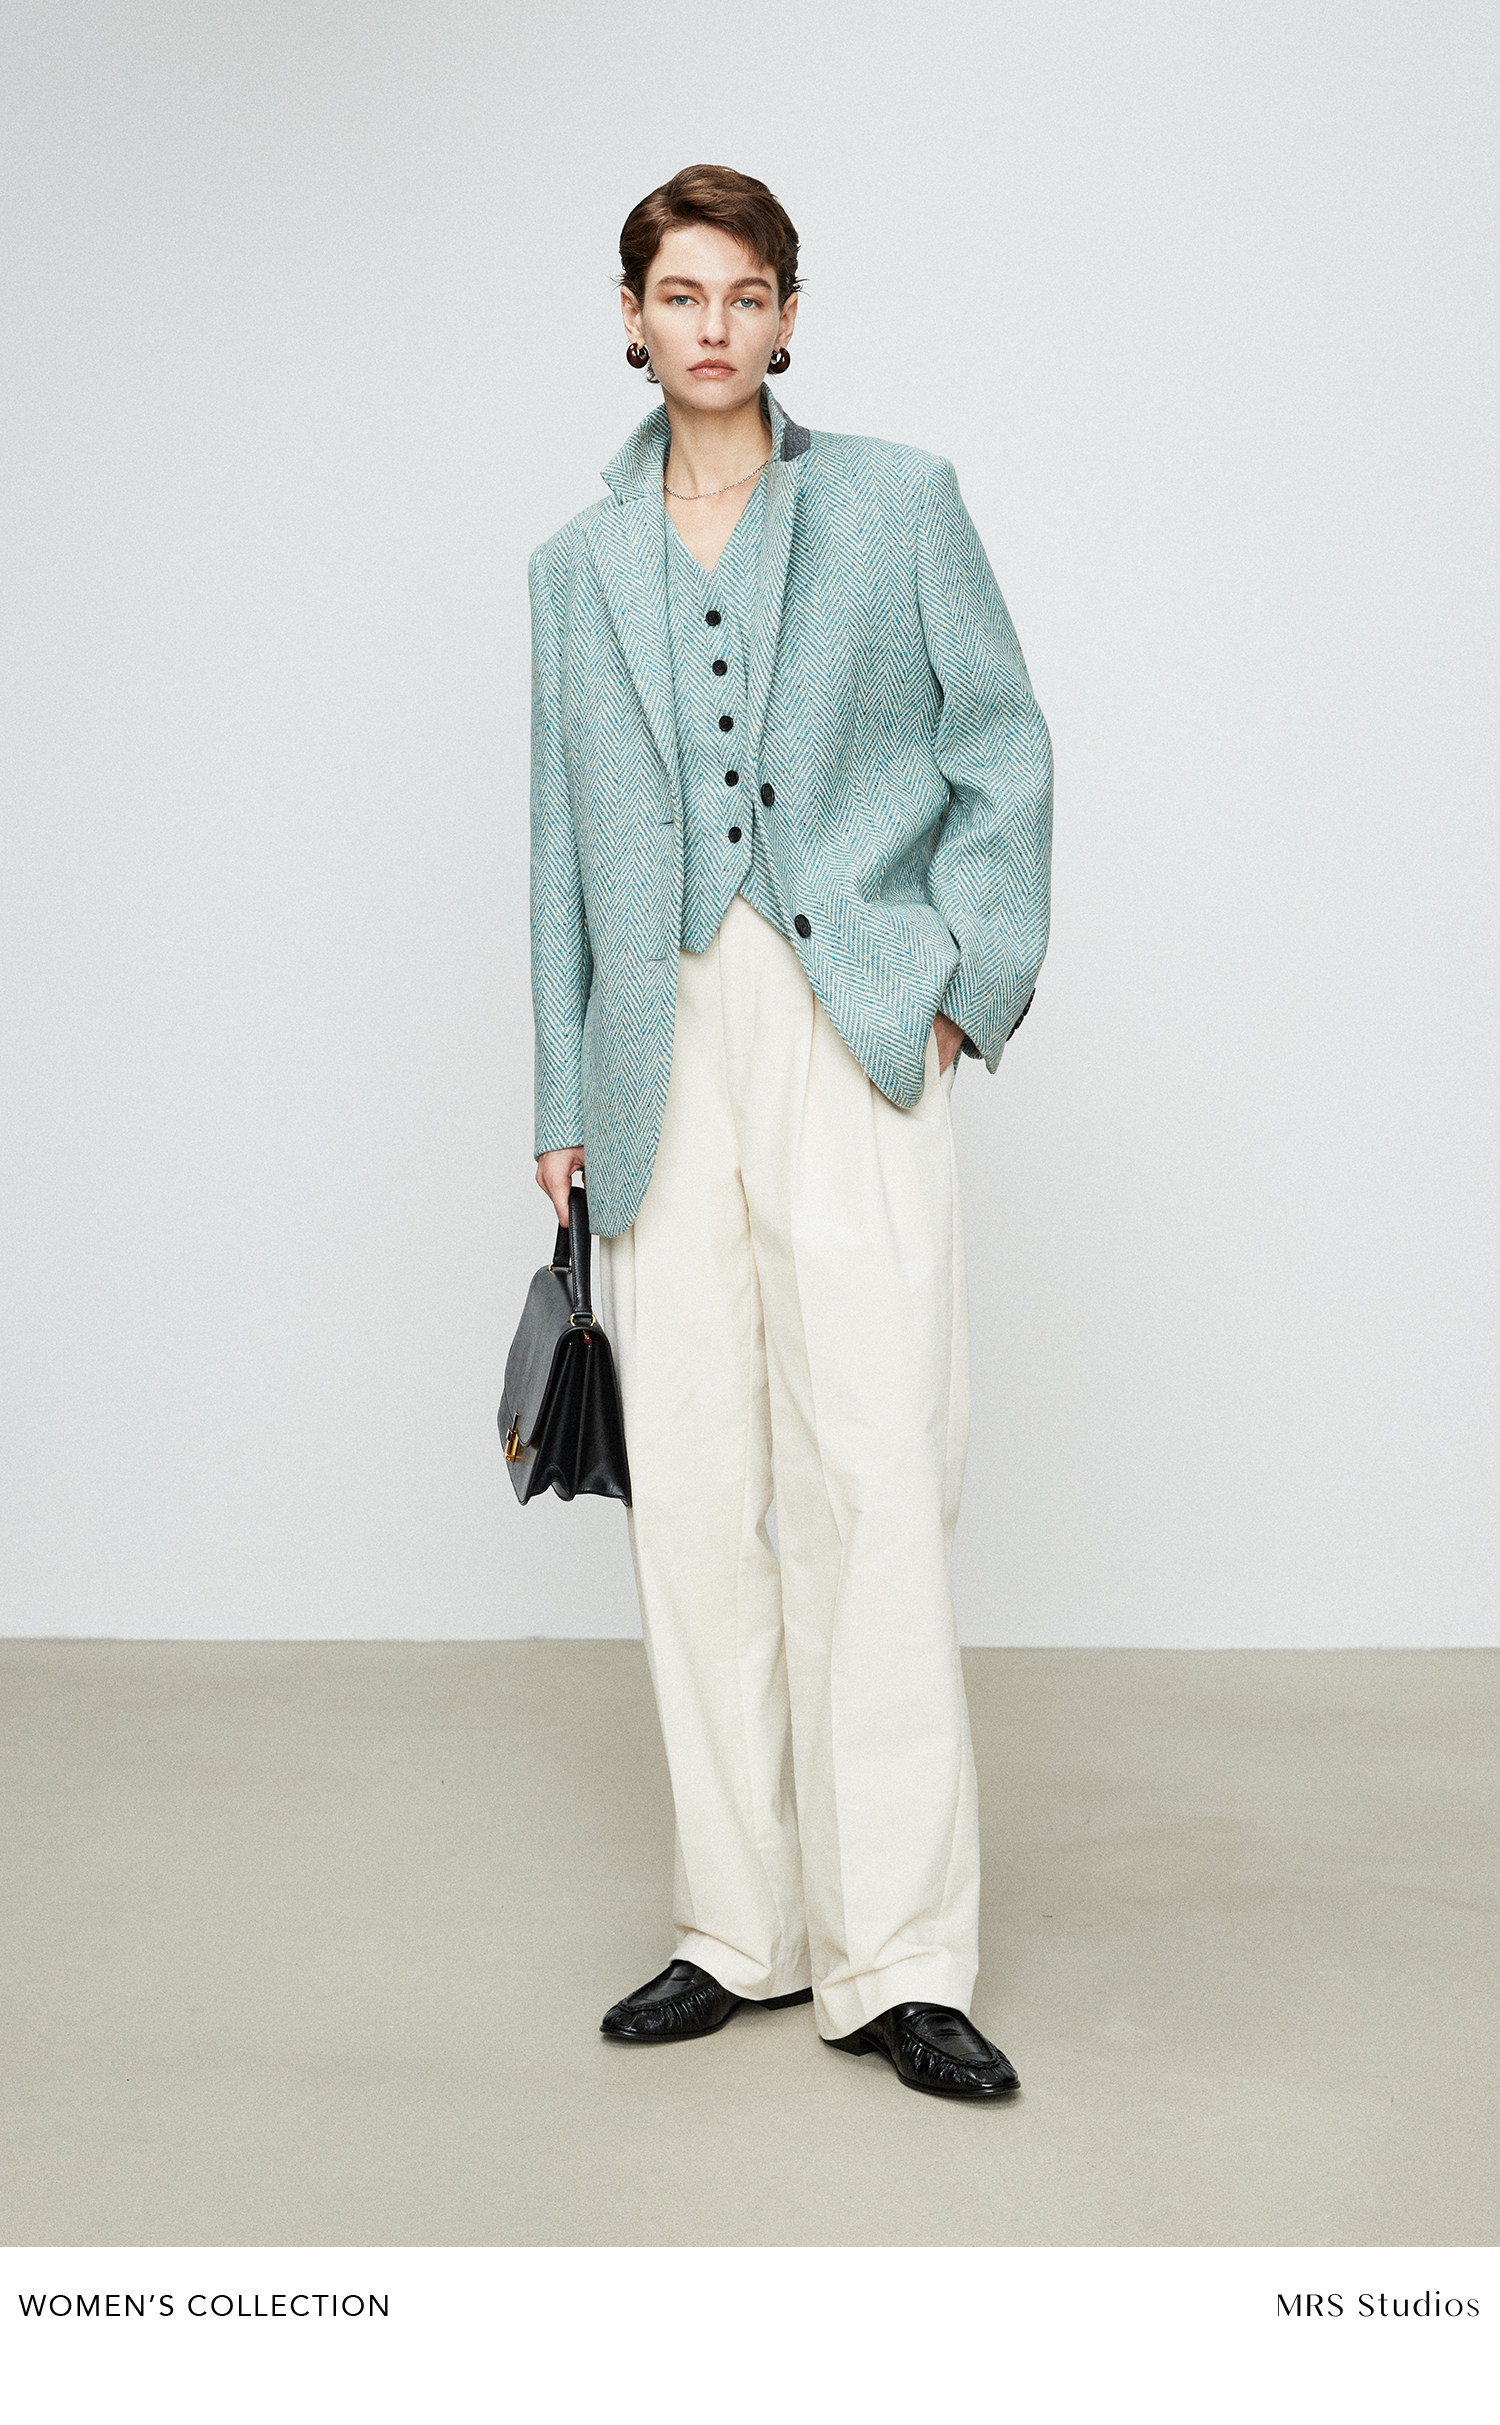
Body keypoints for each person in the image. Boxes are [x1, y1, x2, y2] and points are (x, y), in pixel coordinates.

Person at [527, 165, 1051, 2102]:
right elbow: (557, 845)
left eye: (746, 295)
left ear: (789, 317)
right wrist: (562, 1094)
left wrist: (960, 984)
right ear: (633, 317)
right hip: (660, 1045)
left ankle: (896, 1953)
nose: (715, 327)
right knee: (695, 1492)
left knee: (873, 1471)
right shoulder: (575, 566)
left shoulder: (901, 503)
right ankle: (733, 1927)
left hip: (850, 1023)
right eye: (682, 294)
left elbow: (1004, 746)